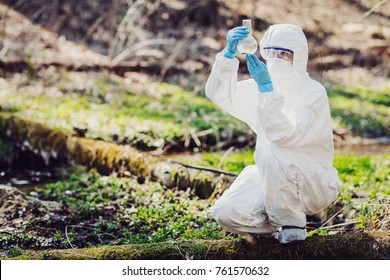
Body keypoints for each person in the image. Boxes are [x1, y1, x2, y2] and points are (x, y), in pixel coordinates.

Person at [205, 24, 342, 244]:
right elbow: (220, 94)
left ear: (298, 57)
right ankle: (275, 229)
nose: (275, 59)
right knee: (226, 212)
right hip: (273, 176)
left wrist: (267, 89)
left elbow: (284, 135)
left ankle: (293, 225)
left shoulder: (312, 92)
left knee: (270, 149)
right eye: (270, 53)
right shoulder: (259, 86)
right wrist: (228, 55)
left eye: (284, 54)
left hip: (312, 182)